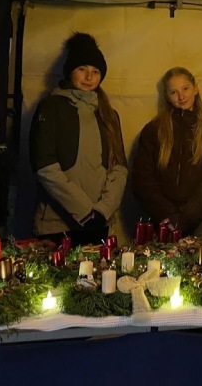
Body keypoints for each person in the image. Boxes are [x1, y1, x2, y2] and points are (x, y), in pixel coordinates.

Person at [29, 33, 127, 246]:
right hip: (56, 225)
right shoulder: (51, 107)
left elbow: (119, 167)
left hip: (99, 222)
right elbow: (44, 165)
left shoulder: (109, 115)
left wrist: (102, 210)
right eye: (82, 69)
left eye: (95, 71)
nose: (89, 77)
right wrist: (84, 211)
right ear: (70, 72)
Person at [133, 67, 202, 237]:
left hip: (199, 221)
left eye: (185, 88)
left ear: (195, 89)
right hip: (162, 222)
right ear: (167, 96)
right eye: (173, 92)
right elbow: (143, 179)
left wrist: (184, 217)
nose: (181, 97)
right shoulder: (153, 131)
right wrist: (168, 215)